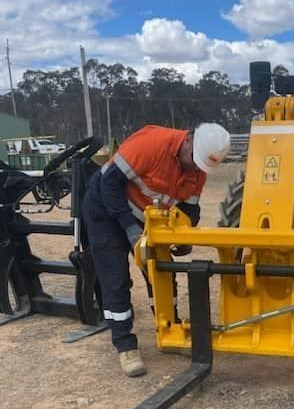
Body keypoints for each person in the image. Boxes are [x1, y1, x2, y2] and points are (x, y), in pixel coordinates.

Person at [84, 123, 230, 377]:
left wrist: (184, 233)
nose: (195, 169)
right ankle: (125, 346)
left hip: (146, 218)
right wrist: (129, 229)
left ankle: (169, 329)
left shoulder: (198, 168)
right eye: (194, 161)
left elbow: (189, 208)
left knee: (161, 272)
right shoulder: (150, 145)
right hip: (105, 211)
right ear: (188, 141)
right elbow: (110, 184)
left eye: (200, 166)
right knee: (116, 278)